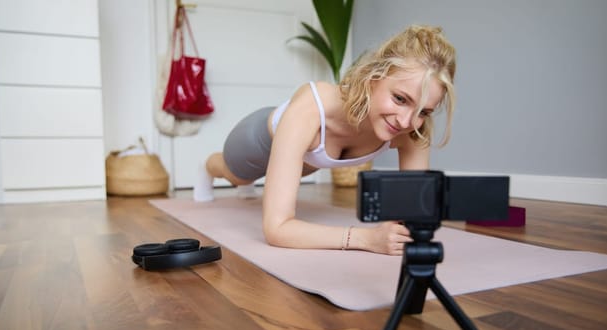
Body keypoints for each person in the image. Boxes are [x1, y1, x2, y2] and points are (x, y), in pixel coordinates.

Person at [193, 25, 456, 256]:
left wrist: (403, 227)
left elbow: (413, 212)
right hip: (257, 140)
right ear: (373, 78)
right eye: (400, 98)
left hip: (308, 159)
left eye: (423, 111)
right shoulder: (313, 106)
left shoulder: (413, 131)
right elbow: (277, 229)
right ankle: (207, 167)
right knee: (238, 177)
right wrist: (365, 239)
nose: (406, 121)